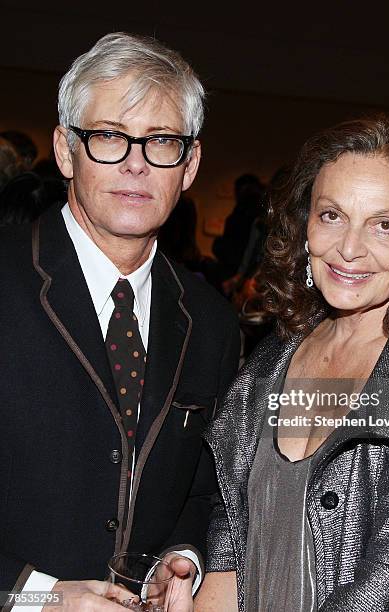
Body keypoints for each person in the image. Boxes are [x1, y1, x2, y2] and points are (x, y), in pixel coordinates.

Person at [195, 117, 389, 611]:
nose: (349, 248)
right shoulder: (276, 354)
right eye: (332, 215)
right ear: (306, 224)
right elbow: (232, 519)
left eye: (384, 225)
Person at [0, 32, 240, 611]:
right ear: (64, 150)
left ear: (190, 164)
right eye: (109, 136)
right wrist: (40, 598)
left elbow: (205, 486)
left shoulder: (210, 322)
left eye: (161, 141)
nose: (136, 164)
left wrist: (179, 559)